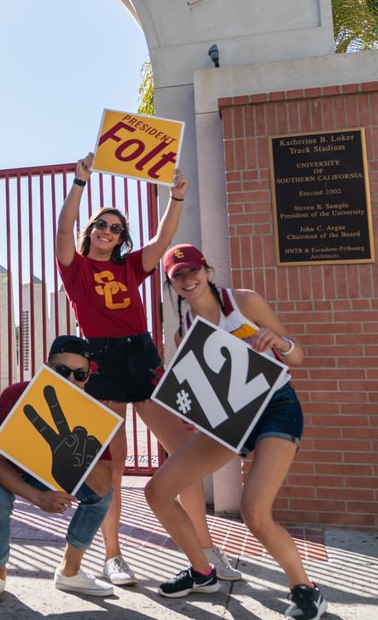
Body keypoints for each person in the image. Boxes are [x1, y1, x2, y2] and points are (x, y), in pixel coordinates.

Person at [55, 153, 240, 587]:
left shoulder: (129, 266)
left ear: (121, 238)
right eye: (102, 224)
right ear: (92, 231)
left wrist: (175, 197)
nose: (108, 231)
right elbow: (64, 230)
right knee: (113, 463)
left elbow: (162, 241)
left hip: (142, 356)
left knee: (185, 454)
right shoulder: (76, 270)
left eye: (116, 228)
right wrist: (79, 183)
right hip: (101, 360)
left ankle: (206, 549)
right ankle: (113, 556)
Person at [146, 244, 325, 620]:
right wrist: (194, 413)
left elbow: (298, 356)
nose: (186, 279)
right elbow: (210, 393)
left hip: (276, 407)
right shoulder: (185, 334)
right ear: (170, 285)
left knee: (254, 510)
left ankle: (305, 590)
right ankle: (202, 570)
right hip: (231, 420)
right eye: (176, 275)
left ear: (207, 270)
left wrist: (279, 342)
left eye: (192, 270)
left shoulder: (244, 302)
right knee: (157, 491)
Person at [0, 335, 116, 605]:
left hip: (44, 468)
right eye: (62, 371)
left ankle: (70, 572)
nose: (70, 381)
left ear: (86, 379)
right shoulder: (16, 394)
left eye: (79, 374)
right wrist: (39, 498)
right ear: (46, 368)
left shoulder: (92, 413)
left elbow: (104, 486)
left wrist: (83, 458)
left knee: (102, 495)